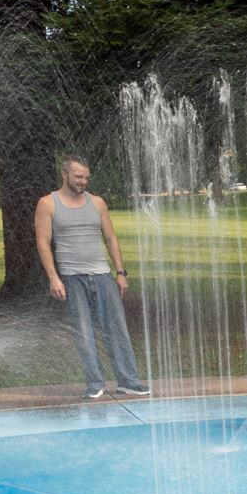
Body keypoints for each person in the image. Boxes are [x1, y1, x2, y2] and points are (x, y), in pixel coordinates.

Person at [34, 155, 150, 399]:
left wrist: (120, 273)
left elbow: (110, 238)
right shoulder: (48, 203)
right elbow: (43, 243)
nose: (83, 181)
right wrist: (53, 278)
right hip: (71, 278)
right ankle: (95, 383)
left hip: (103, 276)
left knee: (118, 329)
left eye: (86, 177)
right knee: (83, 331)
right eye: (78, 177)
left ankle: (128, 381)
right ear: (65, 174)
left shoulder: (97, 203)